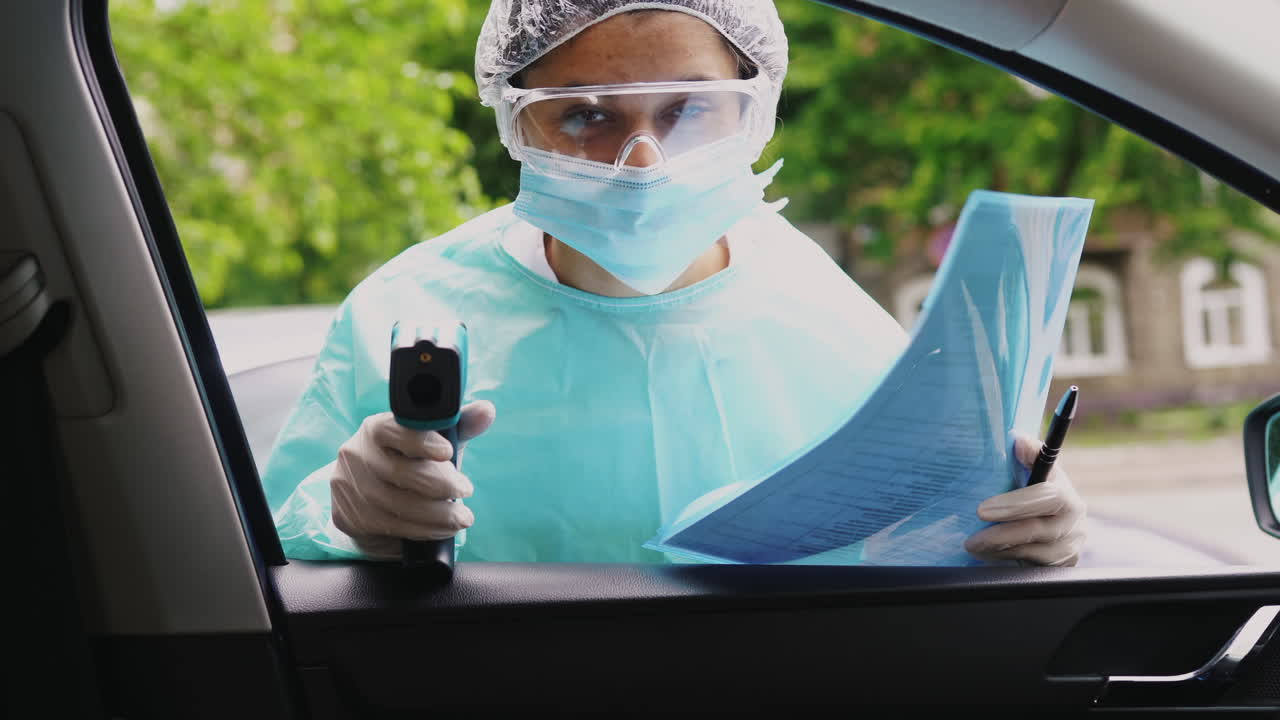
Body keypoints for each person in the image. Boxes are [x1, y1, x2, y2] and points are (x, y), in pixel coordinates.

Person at [263, 0, 1087, 566]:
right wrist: (339, 515)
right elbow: (254, 561)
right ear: (516, 120)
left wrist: (1028, 530)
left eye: (688, 109)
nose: (644, 164)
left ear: (754, 110)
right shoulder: (406, 311)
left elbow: (922, 543)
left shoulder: (832, 314)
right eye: (587, 115)